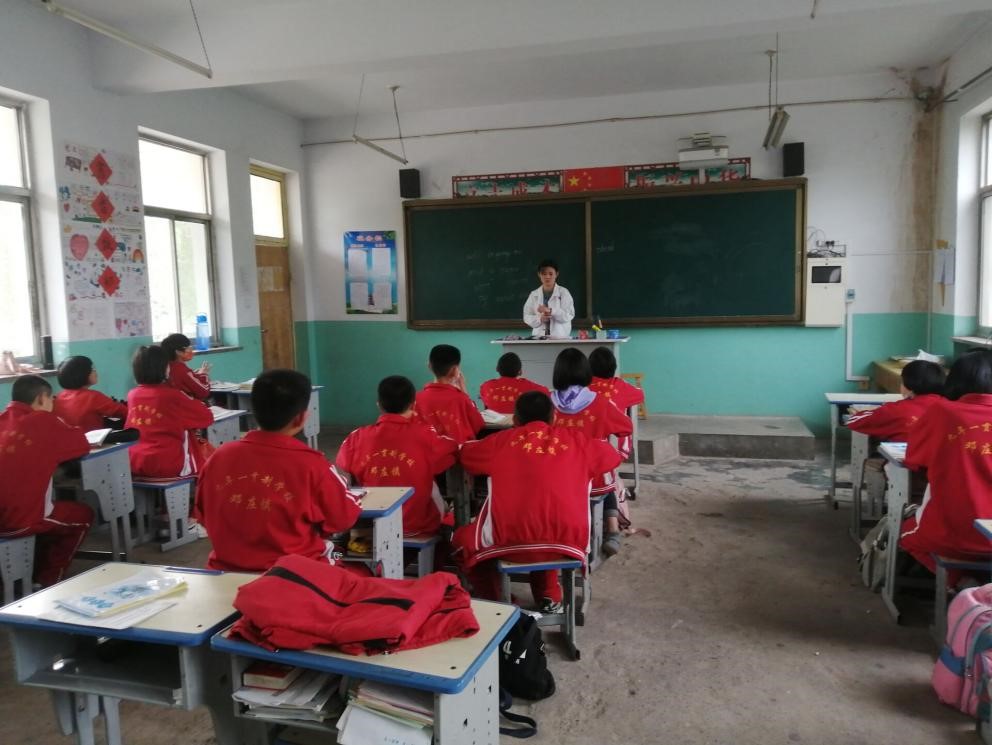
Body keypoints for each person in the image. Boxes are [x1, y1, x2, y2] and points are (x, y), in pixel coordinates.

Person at [452, 391, 622, 612]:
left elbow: (466, 455)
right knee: (548, 525)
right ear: (554, 417)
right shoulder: (578, 442)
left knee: (460, 542)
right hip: (568, 542)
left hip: (508, 540)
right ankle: (549, 596)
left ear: (515, 419)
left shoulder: (499, 442)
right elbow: (612, 456)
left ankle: (499, 603)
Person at [196, 369, 363, 572]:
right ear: (301, 418)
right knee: (358, 566)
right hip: (293, 575)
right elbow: (342, 519)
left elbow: (202, 516)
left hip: (224, 571)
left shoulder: (218, 458)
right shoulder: (312, 465)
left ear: (254, 409)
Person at [901, 350, 992, 576]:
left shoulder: (943, 412)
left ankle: (958, 583)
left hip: (952, 532)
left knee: (905, 534)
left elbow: (914, 458)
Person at [0, 375, 92, 587]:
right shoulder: (43, 420)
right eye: (52, 399)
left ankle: (31, 569)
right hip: (17, 520)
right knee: (83, 515)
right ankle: (47, 581)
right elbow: (82, 444)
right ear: (42, 398)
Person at [336, 375, 457, 536]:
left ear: (379, 405)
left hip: (373, 523)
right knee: (431, 483)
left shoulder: (357, 437)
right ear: (413, 405)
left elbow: (343, 463)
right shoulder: (426, 435)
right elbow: (452, 449)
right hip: (419, 524)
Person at [551, 347, 633, 557]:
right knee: (607, 475)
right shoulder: (600, 402)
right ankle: (612, 531)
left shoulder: (547, 402)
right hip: (593, 478)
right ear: (586, 372)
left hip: (557, 475)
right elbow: (626, 427)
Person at [126, 344, 214, 478]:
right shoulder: (172, 395)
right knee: (209, 460)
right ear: (163, 368)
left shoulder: (132, 394)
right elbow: (206, 417)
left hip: (135, 461)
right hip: (168, 462)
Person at [846, 360, 945, 441]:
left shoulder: (896, 410)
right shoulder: (949, 407)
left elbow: (854, 421)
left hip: (907, 458)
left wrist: (857, 414)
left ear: (909, 385)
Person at [415, 344, 484, 445]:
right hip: (457, 453)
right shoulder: (461, 398)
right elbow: (479, 425)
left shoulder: (416, 398)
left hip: (426, 452)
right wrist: (463, 389)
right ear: (455, 370)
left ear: (429, 366)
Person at [52, 355, 128, 431]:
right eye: (92, 369)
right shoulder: (93, 397)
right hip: (91, 437)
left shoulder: (59, 396)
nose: (95, 372)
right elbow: (124, 412)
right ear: (81, 373)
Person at [479, 352, 549, 414]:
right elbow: (546, 391)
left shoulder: (486, 386)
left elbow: (485, 403)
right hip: (519, 423)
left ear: (497, 369)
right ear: (520, 371)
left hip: (492, 424)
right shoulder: (527, 386)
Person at [522, 258, 575, 338]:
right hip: (539, 337)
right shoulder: (534, 295)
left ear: (556, 274)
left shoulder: (564, 293)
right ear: (539, 275)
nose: (547, 277)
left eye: (551, 274)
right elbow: (527, 316)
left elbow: (569, 315)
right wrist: (540, 319)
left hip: (560, 337)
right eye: (544, 274)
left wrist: (551, 311)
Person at [589, 346, 645, 413]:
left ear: (589, 368)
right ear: (614, 367)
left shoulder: (583, 386)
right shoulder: (620, 385)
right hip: (616, 420)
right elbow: (641, 395)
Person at [161, 333, 211, 401]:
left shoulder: (165, 367)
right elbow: (203, 391)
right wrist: (204, 374)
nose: (191, 350)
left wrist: (195, 375)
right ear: (178, 352)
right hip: (186, 404)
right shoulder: (182, 370)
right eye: (188, 347)